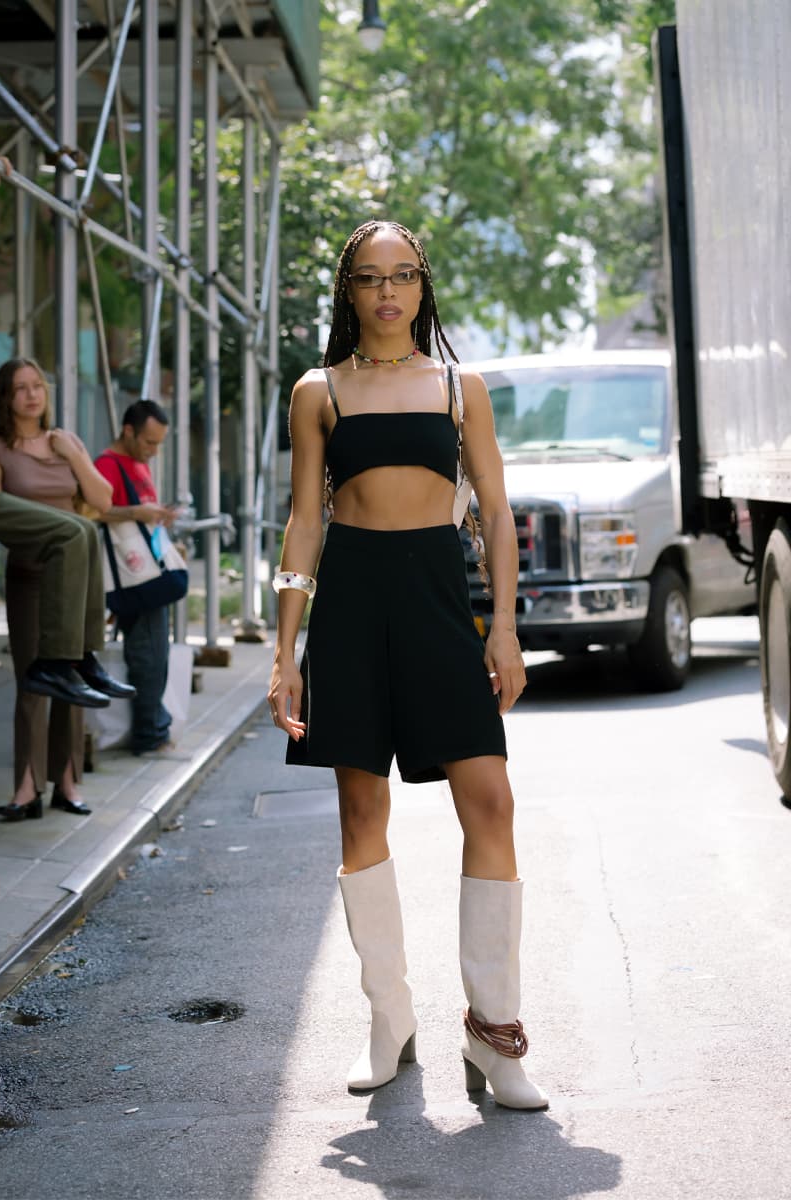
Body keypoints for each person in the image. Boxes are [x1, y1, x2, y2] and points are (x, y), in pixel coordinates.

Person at [267, 220, 548, 1110]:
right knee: (361, 811)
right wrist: (284, 649)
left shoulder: (461, 388)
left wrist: (503, 627)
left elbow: (497, 514)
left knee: (491, 799)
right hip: (350, 604)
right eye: (368, 278)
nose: (387, 292)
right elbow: (306, 520)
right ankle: (389, 1019)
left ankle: (495, 1035)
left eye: (402, 276)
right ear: (347, 292)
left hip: (436, 601)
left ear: (423, 288)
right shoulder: (318, 391)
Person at [0, 358, 134, 822]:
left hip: (74, 580)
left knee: (72, 678)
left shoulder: (64, 442)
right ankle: (27, 787)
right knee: (35, 681)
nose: (32, 395)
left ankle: (67, 783)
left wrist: (72, 454)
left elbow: (103, 501)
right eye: (20, 389)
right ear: (5, 398)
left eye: (38, 386)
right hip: (29, 576)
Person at [95, 400, 178, 755]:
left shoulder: (137, 464)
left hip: (147, 572)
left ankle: (154, 728)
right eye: (149, 442)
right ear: (128, 431)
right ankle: (149, 734)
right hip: (131, 577)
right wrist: (138, 512)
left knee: (156, 653)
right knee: (146, 654)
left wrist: (157, 519)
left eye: (159, 443)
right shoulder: (107, 465)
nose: (154, 451)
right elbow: (94, 511)